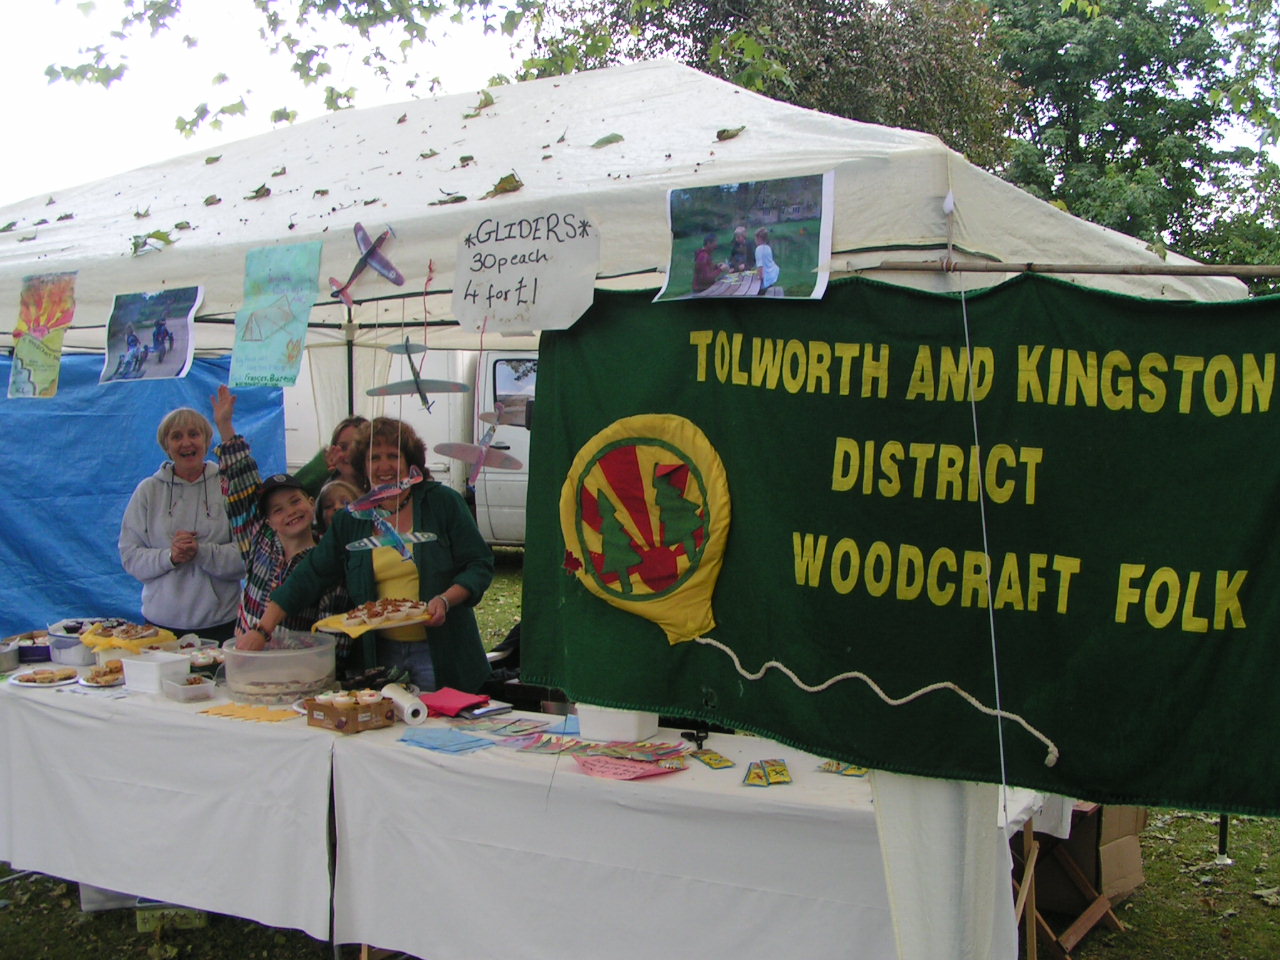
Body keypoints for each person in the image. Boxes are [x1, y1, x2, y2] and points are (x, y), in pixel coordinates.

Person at [238, 417, 495, 693]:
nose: (384, 466)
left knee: (439, 720)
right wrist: (262, 629)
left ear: (410, 462)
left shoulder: (442, 503)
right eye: (374, 458)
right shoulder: (352, 519)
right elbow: (310, 574)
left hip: (442, 654)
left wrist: (445, 600)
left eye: (392, 456)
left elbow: (479, 564)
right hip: (381, 655)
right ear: (363, 465)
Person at [212, 385, 349, 638]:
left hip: (298, 660)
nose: (290, 512)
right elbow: (241, 480)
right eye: (277, 510)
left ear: (311, 502)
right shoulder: (258, 540)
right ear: (267, 521)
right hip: (245, 656)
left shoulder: (325, 558)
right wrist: (225, 426)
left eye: (295, 502)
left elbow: (333, 628)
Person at [119, 406, 244, 641]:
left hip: (223, 624)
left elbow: (248, 556)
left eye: (194, 434)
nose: (186, 443)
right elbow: (130, 557)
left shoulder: (230, 486)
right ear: (166, 446)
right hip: (161, 627)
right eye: (176, 436)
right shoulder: (148, 491)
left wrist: (201, 552)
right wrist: (171, 556)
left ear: (207, 441)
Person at [295, 416, 369, 498]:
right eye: (343, 447)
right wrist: (321, 467)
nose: (349, 454)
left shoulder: (376, 486)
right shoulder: (320, 488)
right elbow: (291, 490)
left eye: (357, 447)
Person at [754, 227, 781, 295]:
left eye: (756, 238)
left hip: (766, 279)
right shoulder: (768, 247)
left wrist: (759, 279)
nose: (755, 240)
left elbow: (760, 266)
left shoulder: (759, 249)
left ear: (759, 238)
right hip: (772, 274)